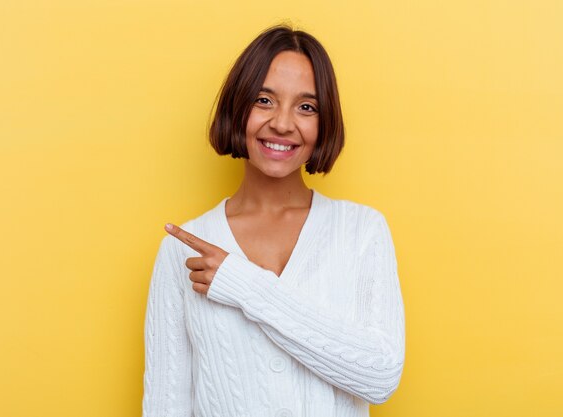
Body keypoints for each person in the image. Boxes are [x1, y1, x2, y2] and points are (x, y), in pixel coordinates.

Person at [142, 24, 405, 417]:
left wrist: (242, 284)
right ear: (238, 106)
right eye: (264, 100)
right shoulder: (185, 247)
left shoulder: (361, 231)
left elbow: (380, 376)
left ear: (324, 121)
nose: (283, 123)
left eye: (306, 107)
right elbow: (166, 406)